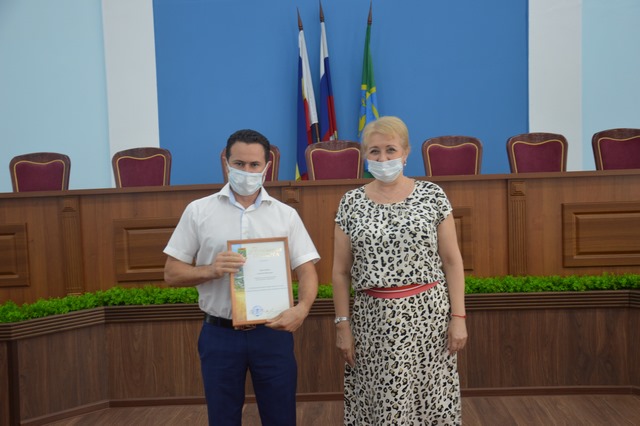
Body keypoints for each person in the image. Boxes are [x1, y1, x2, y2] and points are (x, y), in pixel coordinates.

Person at [163, 129, 320, 426]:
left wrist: (302, 309)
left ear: (267, 166)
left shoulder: (285, 215)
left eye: (254, 164)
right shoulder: (198, 211)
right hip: (219, 335)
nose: (246, 171)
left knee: (281, 418)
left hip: (273, 334)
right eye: (239, 163)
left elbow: (307, 270)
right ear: (226, 162)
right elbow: (171, 273)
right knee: (222, 418)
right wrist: (211, 270)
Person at [332, 116, 468, 425]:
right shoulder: (350, 203)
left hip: (428, 319)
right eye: (374, 151)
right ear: (365, 156)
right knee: (382, 406)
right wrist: (342, 326)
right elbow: (340, 272)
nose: (383, 158)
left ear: (406, 152)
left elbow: (452, 261)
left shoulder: (432, 196)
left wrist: (458, 318)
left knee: (431, 404)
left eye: (390, 150)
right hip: (372, 323)